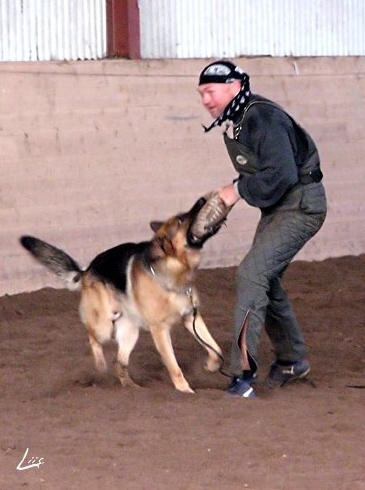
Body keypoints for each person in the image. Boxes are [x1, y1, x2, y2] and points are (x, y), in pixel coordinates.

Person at [197, 60, 327, 398]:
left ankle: (242, 376)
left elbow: (282, 174)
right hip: (279, 207)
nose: (206, 100)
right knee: (264, 279)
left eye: (210, 92)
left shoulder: (262, 117)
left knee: (251, 274)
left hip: (301, 205)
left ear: (234, 87)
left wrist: (236, 190)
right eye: (201, 94)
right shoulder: (240, 119)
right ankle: (292, 360)